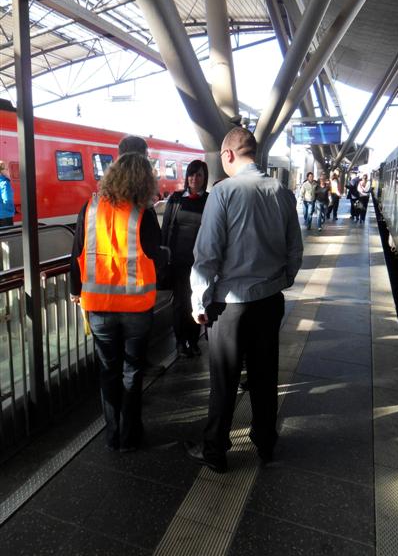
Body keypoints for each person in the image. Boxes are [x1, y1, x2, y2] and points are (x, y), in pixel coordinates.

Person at [184, 127, 303, 473]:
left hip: (229, 307)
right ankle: (265, 442)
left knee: (224, 381)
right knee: (265, 377)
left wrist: (198, 303)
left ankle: (216, 450)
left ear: (229, 155)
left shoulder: (223, 193)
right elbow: (295, 251)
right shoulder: (282, 192)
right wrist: (282, 280)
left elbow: (206, 256)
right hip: (269, 301)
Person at [70, 149, 167, 452]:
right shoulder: (144, 212)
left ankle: (113, 436)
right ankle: (130, 436)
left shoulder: (90, 207)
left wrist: (76, 291)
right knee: (132, 371)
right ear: (144, 180)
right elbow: (156, 255)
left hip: (98, 306)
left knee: (107, 371)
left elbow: (76, 254)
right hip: (136, 307)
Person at [161, 159, 209, 358]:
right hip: (178, 262)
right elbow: (166, 228)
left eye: (198, 175)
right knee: (180, 303)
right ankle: (181, 342)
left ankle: (193, 339)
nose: (194, 179)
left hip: (201, 262)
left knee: (196, 302)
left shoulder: (209, 199)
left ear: (205, 178)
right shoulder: (177, 198)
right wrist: (164, 256)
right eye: (191, 174)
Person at [0, 160, 15, 227]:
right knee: (8, 236)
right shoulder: (4, 183)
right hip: (5, 215)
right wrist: (11, 210)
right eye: (6, 169)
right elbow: (7, 199)